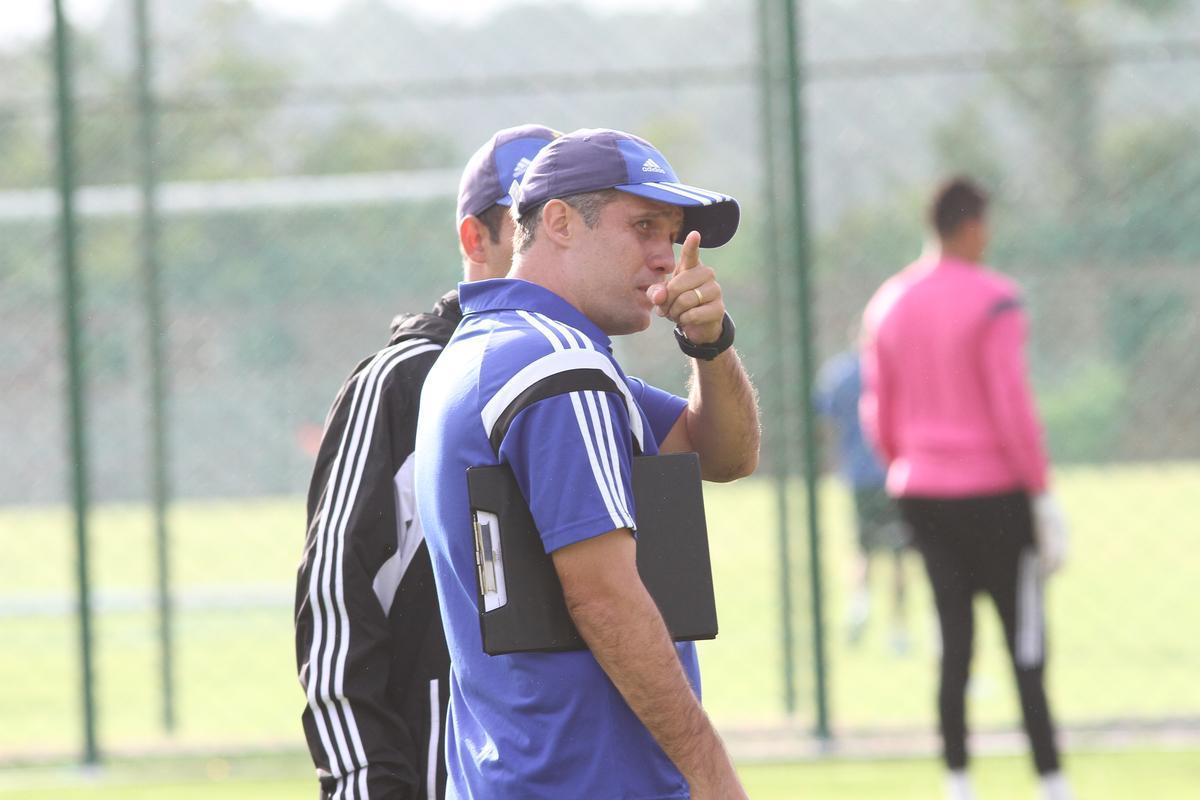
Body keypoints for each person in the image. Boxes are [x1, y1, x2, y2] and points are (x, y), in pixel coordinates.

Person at [414, 128, 761, 799]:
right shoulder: (555, 367)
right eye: (645, 227)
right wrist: (714, 778)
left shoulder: (495, 347)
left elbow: (724, 454)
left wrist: (710, 346)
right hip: (587, 781)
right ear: (560, 222)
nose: (667, 258)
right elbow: (603, 596)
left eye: (674, 232)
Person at [294, 124, 559, 800]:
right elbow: (336, 598)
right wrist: (364, 778)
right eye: (529, 229)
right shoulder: (406, 382)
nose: (552, 252)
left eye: (566, 229)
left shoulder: (585, 377)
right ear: (475, 240)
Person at [860, 177, 1072, 800]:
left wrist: (911, 465)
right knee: (1025, 640)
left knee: (954, 641)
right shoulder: (996, 298)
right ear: (974, 224)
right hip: (998, 492)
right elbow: (1013, 404)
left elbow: (881, 414)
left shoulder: (889, 303)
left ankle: (957, 781)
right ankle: (1051, 780)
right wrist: (1041, 493)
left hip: (921, 491)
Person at [814, 340, 909, 652]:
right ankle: (897, 629)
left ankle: (859, 608)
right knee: (898, 554)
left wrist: (840, 456)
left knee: (863, 549)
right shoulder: (895, 368)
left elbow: (825, 420)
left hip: (858, 474)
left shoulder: (839, 374)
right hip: (893, 472)